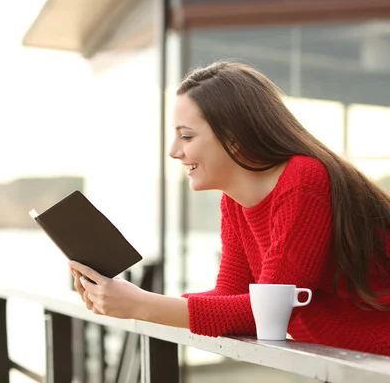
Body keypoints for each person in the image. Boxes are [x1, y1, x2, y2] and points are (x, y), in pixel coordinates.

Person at [68, 60, 390, 357]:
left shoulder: (303, 182)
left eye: (186, 136)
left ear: (234, 137)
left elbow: (267, 313)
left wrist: (141, 305)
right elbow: (229, 297)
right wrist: (127, 298)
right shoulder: (234, 203)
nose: (174, 151)